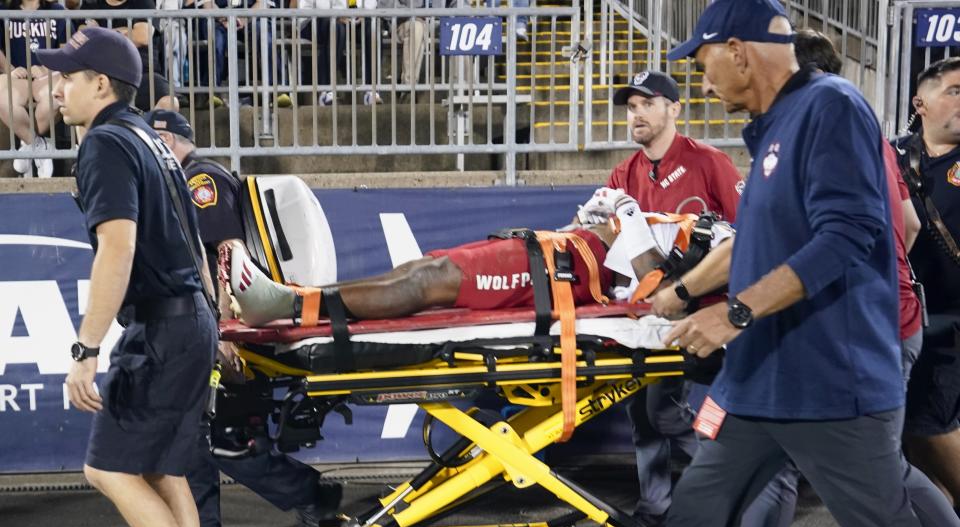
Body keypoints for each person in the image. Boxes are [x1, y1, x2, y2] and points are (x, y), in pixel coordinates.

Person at [555, 1, 960, 527]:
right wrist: (683, 293)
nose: (705, 81)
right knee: (694, 511)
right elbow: (755, 241)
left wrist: (735, 313)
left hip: (834, 387)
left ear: (739, 51)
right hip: (759, 384)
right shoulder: (775, 126)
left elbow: (850, 235)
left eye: (707, 63)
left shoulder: (832, 107)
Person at [38, 27, 238, 527]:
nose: (58, 87)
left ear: (101, 84)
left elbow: (116, 249)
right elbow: (195, 244)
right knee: (163, 470)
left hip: (161, 329)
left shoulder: (103, 144)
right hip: (190, 320)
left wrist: (86, 350)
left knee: (108, 470)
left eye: (68, 77)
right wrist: (211, 323)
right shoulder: (150, 138)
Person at [144, 109, 343, 527]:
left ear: (169, 140)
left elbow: (227, 254)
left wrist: (225, 332)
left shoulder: (200, 181)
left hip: (232, 331)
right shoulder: (191, 181)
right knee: (209, 435)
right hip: (229, 328)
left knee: (221, 438)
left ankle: (311, 496)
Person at [222, 187, 733, 327]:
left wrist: (626, 210)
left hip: (570, 271)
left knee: (430, 279)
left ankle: (288, 305)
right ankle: (293, 299)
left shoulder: (726, 249)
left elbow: (658, 291)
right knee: (420, 270)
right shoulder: (719, 240)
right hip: (565, 252)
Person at [605, 69, 743, 527]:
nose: (637, 113)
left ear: (673, 108)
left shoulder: (711, 163)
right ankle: (655, 507)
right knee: (641, 413)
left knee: (663, 410)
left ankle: (725, 494)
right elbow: (616, 248)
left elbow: (747, 240)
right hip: (651, 316)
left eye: (647, 103)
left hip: (708, 314)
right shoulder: (624, 174)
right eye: (631, 106)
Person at [895, 57, 960, 513]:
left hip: (953, 321)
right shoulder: (889, 155)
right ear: (921, 102)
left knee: (929, 426)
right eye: (955, 91)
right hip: (903, 317)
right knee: (915, 442)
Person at [0, 0, 66, 178]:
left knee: (58, 96)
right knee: (3, 99)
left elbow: (66, 50)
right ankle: (38, 145)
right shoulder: (4, 10)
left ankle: (26, 146)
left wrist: (47, 68)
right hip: (17, 77)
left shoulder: (56, 10)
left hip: (47, 76)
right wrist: (11, 70)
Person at [88, 0, 179, 112]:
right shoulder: (92, 3)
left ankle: (146, 128)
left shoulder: (144, 3)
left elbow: (142, 36)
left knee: (169, 102)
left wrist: (100, 33)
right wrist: (126, 32)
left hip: (142, 73)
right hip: (103, 74)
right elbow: (85, 37)